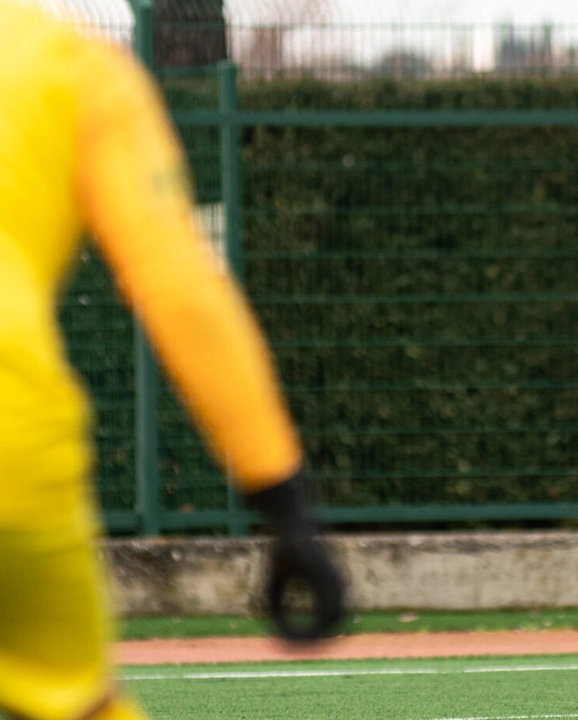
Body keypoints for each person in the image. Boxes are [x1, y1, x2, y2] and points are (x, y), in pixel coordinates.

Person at [0, 2, 345, 718]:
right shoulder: (75, 68)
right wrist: (281, 497)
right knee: (78, 704)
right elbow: (181, 291)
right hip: (12, 436)